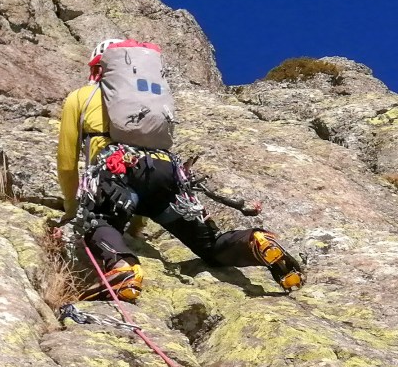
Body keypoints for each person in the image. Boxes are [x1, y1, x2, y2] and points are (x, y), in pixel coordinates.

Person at [57, 38, 304, 302]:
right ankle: (254, 241)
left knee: (97, 222)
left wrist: (73, 210)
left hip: (117, 168)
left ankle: (123, 269)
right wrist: (136, 226)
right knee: (210, 245)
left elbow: (67, 162)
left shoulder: (82, 97)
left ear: (98, 67)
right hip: (166, 172)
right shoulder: (151, 98)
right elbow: (142, 193)